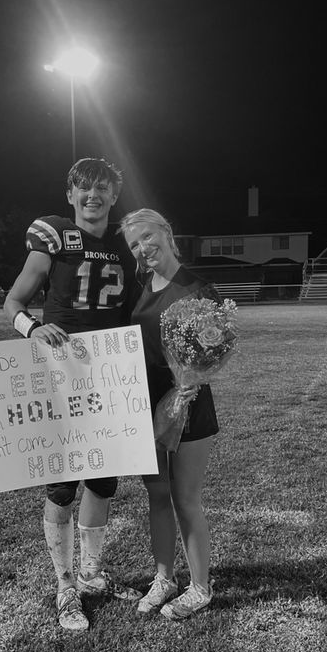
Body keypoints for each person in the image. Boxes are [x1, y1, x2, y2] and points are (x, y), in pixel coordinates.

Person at [4, 157, 138, 632]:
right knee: (63, 485)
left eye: (102, 188)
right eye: (84, 188)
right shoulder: (56, 235)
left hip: (108, 374)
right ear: (70, 195)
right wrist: (33, 330)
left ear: (113, 195)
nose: (93, 196)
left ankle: (90, 573)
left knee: (102, 482)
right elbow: (13, 302)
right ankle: (64, 586)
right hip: (61, 373)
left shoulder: (124, 240)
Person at [119, 208, 219, 620]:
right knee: (156, 494)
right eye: (134, 244)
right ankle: (164, 578)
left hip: (189, 404)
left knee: (185, 498)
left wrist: (191, 379)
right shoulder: (141, 284)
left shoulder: (198, 288)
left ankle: (201, 587)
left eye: (147, 236)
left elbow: (214, 347)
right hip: (145, 402)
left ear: (166, 231)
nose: (143, 248)